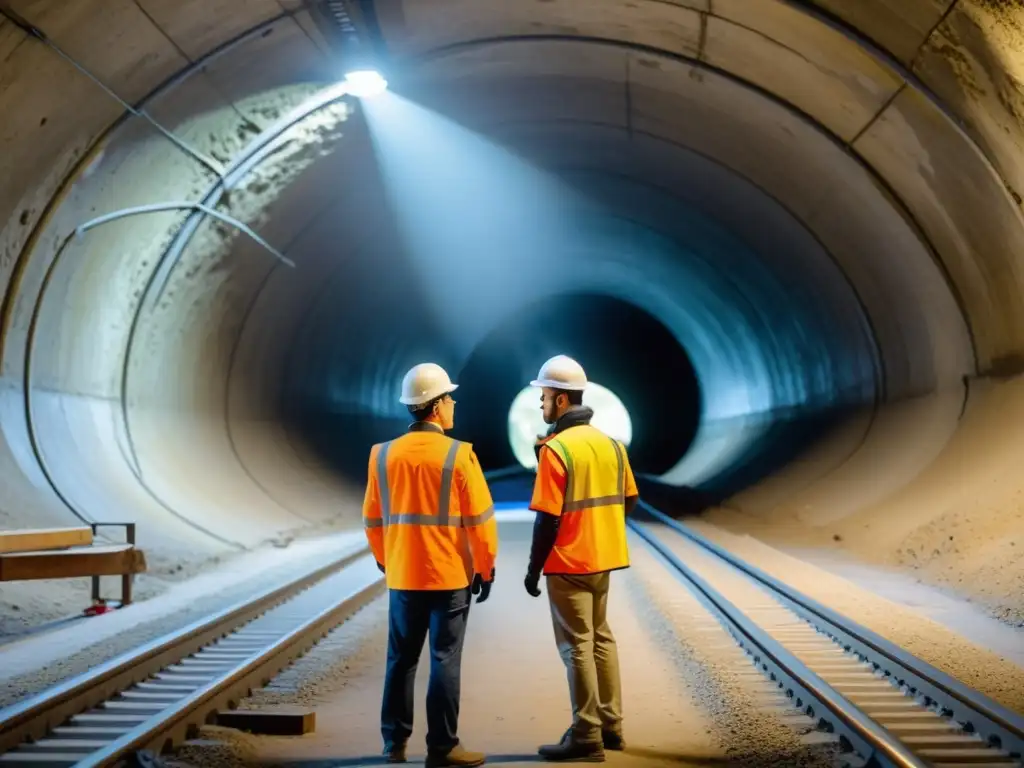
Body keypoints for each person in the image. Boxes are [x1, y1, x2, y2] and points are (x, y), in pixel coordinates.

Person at [363, 362, 498, 768]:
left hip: (404, 576)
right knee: (444, 658)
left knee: (401, 659)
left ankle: (393, 745)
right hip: (449, 576)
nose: (454, 403)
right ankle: (442, 747)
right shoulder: (460, 455)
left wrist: (389, 561)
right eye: (449, 397)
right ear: (437, 406)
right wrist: (485, 569)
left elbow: (372, 520)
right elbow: (480, 522)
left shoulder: (381, 455)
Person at [522, 355, 639, 762]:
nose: (541, 404)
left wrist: (534, 569)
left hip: (568, 563)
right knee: (602, 638)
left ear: (560, 401)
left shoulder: (556, 451)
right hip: (603, 559)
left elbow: (547, 520)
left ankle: (586, 734)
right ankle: (613, 727)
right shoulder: (612, 446)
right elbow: (630, 499)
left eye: (544, 396)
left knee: (577, 646)